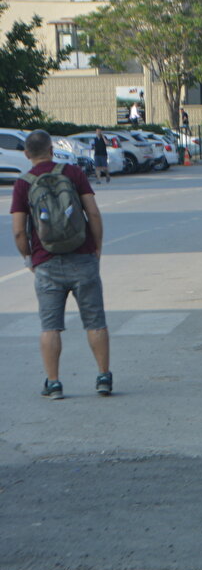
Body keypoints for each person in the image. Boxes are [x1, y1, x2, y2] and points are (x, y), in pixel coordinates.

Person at [10, 130, 111, 399]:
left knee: (51, 326)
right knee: (95, 321)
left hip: (46, 262)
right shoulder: (73, 173)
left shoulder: (23, 184)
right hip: (83, 257)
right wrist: (97, 246)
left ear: (26, 154)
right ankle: (103, 377)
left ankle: (54, 383)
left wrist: (29, 258)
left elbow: (19, 231)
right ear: (52, 150)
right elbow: (93, 212)